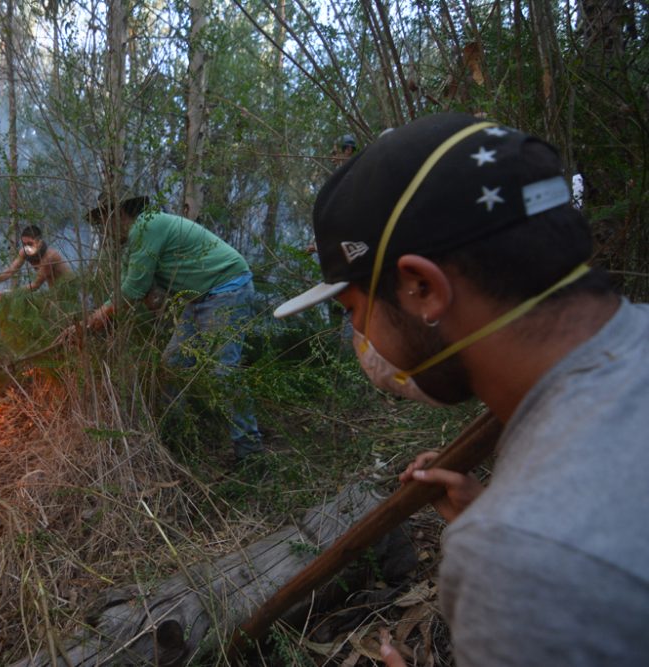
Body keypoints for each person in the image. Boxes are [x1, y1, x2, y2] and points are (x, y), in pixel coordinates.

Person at [274, 113, 648, 666]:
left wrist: (514, 539)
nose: (360, 335)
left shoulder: (519, 559)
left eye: (354, 310)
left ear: (422, 287)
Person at [62, 193, 264, 464]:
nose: (104, 232)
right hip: (200, 298)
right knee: (171, 366)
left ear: (119, 215)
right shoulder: (139, 238)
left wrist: (97, 319)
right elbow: (135, 289)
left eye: (104, 223)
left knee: (222, 373)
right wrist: (97, 319)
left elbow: (132, 290)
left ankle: (250, 455)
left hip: (226, 289)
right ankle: (178, 442)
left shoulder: (148, 227)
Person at [0, 224, 71, 291]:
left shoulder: (49, 257)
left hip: (69, 290)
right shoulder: (24, 252)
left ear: (39, 243)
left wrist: (9, 293)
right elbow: (10, 271)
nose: (27, 247)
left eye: (30, 244)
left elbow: (36, 285)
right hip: (53, 292)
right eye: (24, 244)